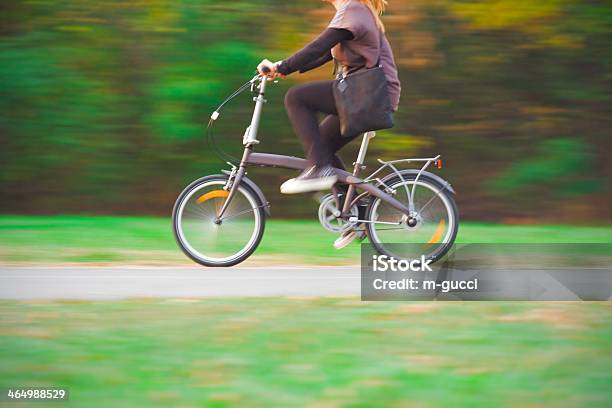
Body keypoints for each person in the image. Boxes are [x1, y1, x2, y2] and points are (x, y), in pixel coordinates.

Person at [257, 0, 401, 194]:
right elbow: (324, 53)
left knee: (296, 97)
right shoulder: (354, 11)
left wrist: (284, 67)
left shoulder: (353, 8)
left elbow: (318, 46)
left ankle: (318, 170)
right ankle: (353, 211)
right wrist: (281, 67)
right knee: (321, 148)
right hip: (369, 93)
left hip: (369, 93)